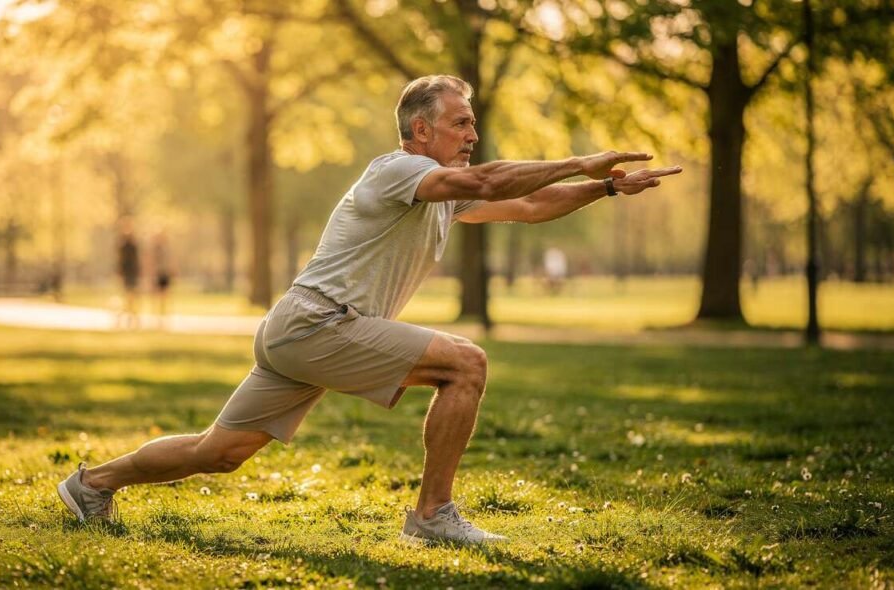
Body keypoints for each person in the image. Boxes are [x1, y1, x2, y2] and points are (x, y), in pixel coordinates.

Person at [57, 75, 681, 544]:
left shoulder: (439, 194)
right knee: (465, 365)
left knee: (217, 453)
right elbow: (490, 182)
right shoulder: (397, 172)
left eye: (472, 124)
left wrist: (601, 187)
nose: (472, 134)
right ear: (420, 132)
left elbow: (528, 206)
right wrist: (578, 160)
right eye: (461, 123)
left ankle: (91, 485)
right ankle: (433, 515)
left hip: (297, 329)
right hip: (320, 322)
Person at [116, 218, 141, 330]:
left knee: (132, 296)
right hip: (127, 273)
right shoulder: (123, 245)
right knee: (128, 295)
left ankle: (131, 317)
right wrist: (120, 272)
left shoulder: (135, 245)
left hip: (133, 272)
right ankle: (126, 317)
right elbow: (121, 260)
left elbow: (137, 260)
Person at [150, 230, 173, 329]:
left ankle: (163, 315)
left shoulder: (167, 249)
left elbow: (170, 262)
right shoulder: (155, 250)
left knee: (164, 296)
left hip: (165, 274)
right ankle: (157, 316)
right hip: (157, 274)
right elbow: (151, 262)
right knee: (157, 296)